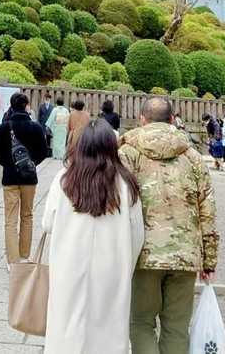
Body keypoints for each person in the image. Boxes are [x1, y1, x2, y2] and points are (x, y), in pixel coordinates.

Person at [119, 95, 219, 354]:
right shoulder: (192, 156)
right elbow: (207, 209)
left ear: (142, 119)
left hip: (143, 254)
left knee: (141, 322)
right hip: (185, 254)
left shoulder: (127, 153)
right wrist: (209, 260)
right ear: (173, 120)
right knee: (176, 327)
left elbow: (118, 204)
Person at [41, 120, 144, 354]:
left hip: (68, 264)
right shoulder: (126, 184)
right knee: (109, 329)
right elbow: (137, 234)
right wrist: (127, 266)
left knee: (66, 328)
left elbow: (47, 224)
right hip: (112, 267)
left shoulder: (64, 180)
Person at [0, 92, 50, 263]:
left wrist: (8, 163)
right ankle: (24, 255)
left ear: (12, 106)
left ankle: (13, 260)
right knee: (27, 216)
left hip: (10, 177)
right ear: (26, 106)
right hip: (29, 179)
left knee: (10, 220)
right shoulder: (36, 127)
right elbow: (44, 151)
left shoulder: (5, 127)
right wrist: (31, 163)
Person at [49, 94, 70, 161]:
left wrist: (49, 127)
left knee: (56, 142)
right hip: (63, 127)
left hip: (56, 127)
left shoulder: (55, 110)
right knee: (62, 142)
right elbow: (68, 119)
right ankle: (62, 155)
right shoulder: (66, 110)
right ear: (63, 103)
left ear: (57, 103)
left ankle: (56, 155)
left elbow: (51, 119)